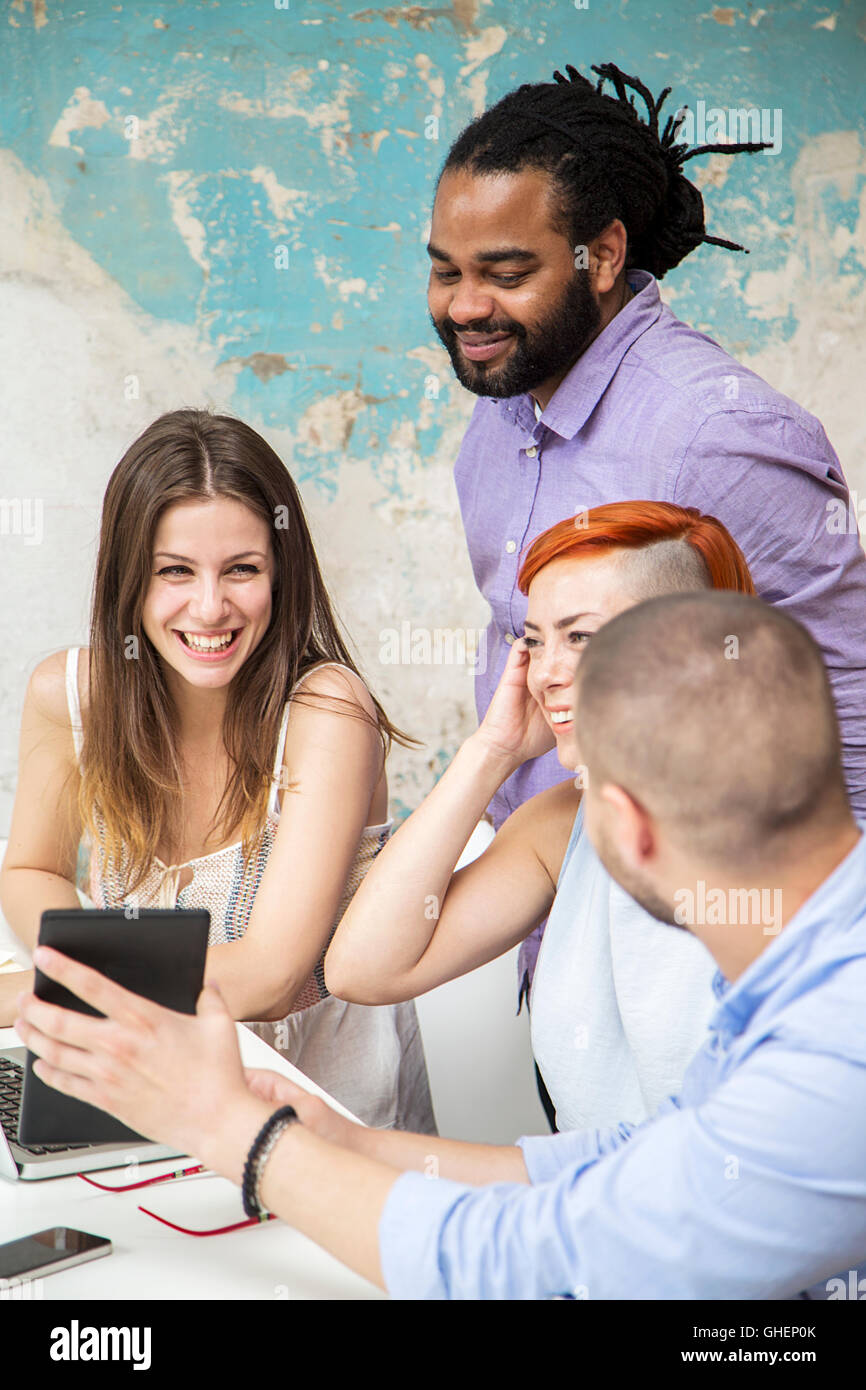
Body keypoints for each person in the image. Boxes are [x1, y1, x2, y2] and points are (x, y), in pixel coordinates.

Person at [15, 592, 866, 1299]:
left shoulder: (837, 1047)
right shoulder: (809, 968)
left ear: (628, 827)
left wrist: (228, 1128)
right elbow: (630, 1165)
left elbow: (535, 1259)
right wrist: (336, 1139)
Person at [426, 60, 866, 1018]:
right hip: (564, 951)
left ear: (604, 254)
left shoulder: (717, 435)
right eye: (446, 270)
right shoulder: (496, 417)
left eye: (506, 273)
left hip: (719, 991)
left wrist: (810, 1006)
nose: (465, 307)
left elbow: (854, 717)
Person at [0, 408, 435, 1134]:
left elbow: (270, 975)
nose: (210, 607)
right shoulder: (67, 696)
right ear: (129, 579)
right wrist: (86, 976)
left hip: (321, 1118)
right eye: (175, 571)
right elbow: (30, 870)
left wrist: (38, 992)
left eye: (243, 570)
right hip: (146, 1093)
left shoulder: (328, 712)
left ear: (281, 572)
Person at [325, 502, 754, 1132]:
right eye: (534, 641)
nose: (546, 673)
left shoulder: (784, 852)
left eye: (580, 636)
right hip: (588, 1213)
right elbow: (361, 968)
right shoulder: (562, 828)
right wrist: (490, 753)